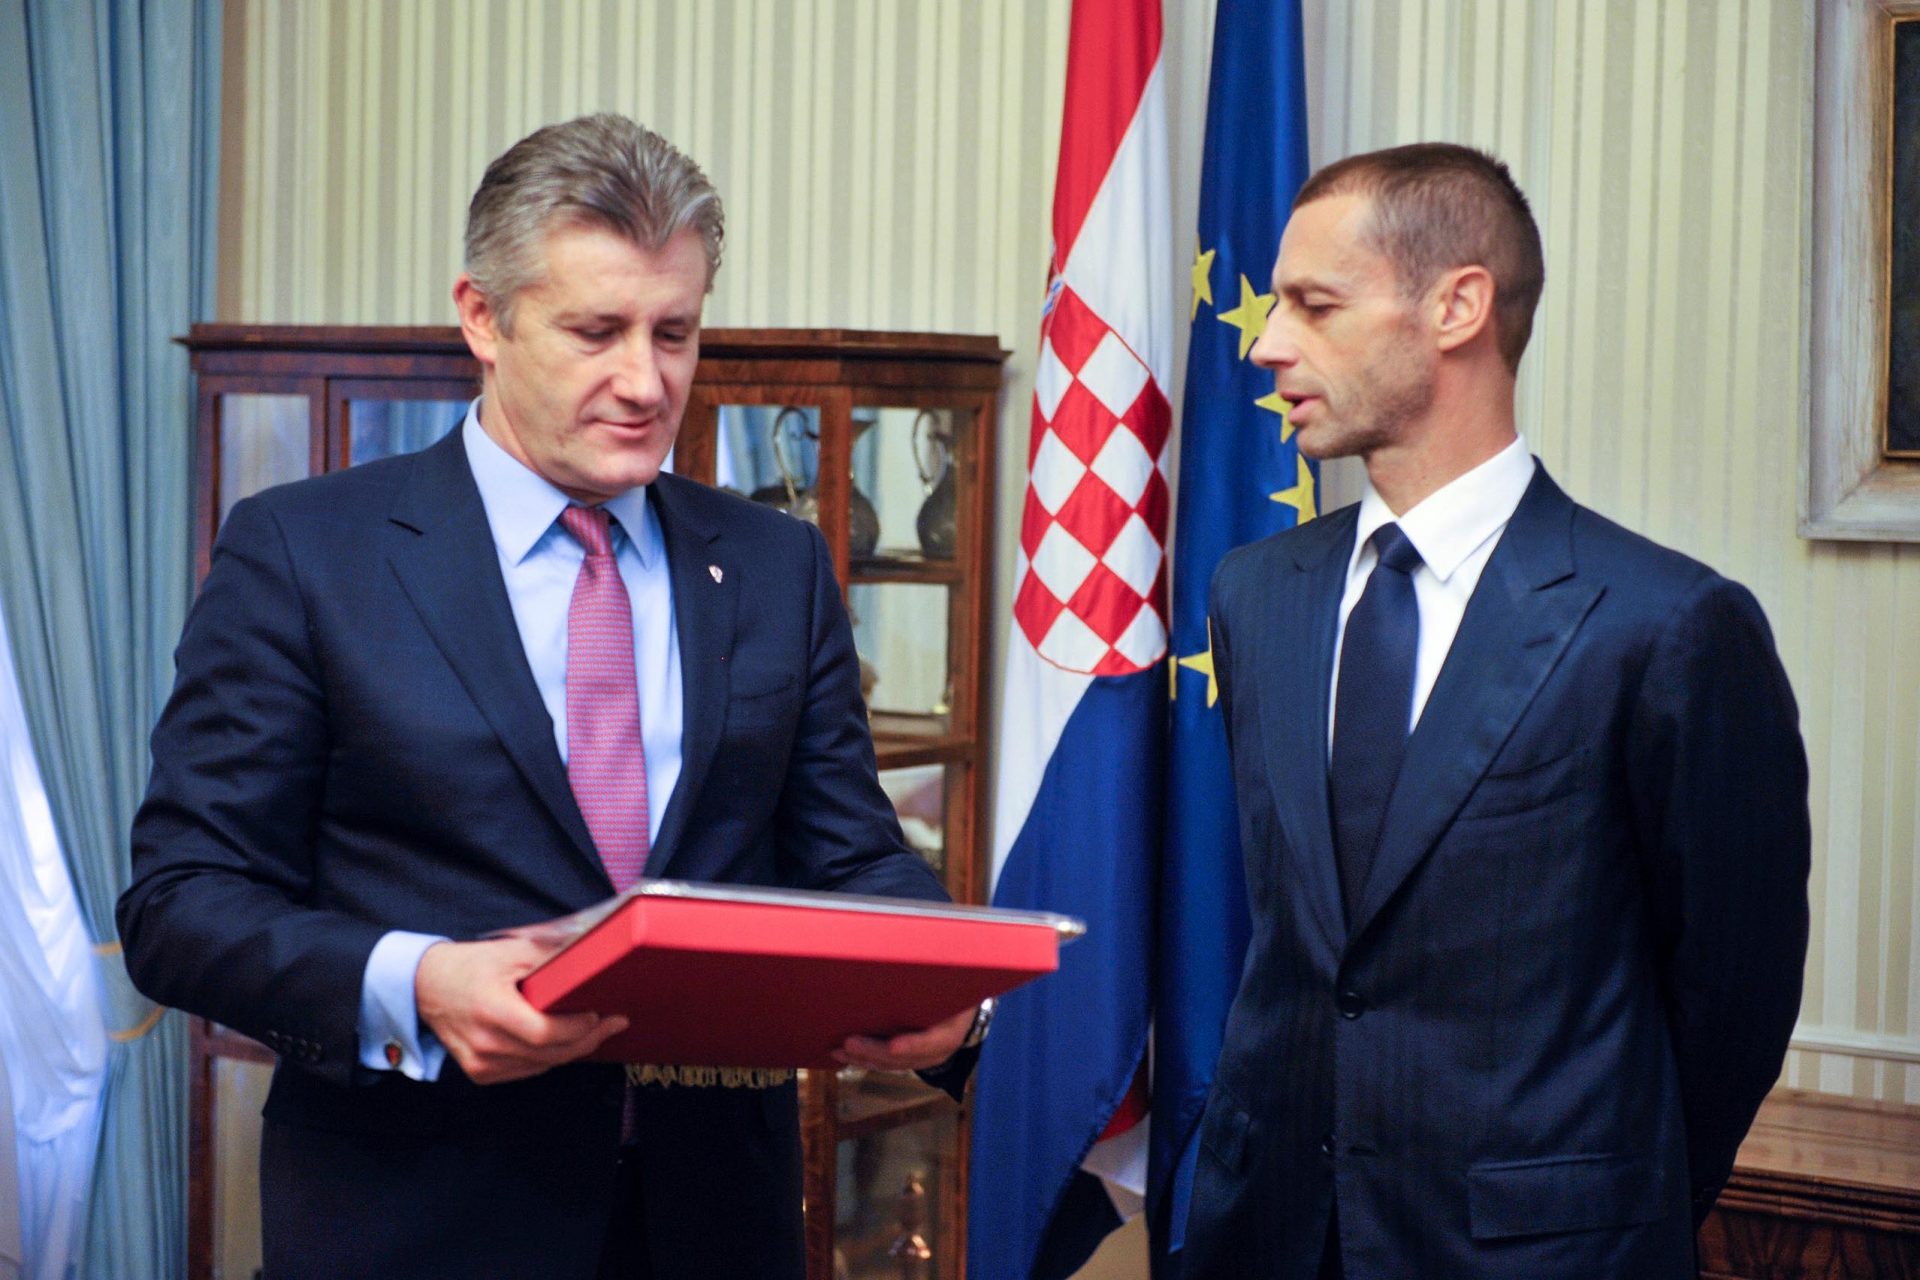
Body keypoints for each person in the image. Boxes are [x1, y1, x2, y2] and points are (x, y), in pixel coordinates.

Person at [118, 114, 980, 1280]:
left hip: (716, 1227)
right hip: (412, 1223)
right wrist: (417, 980)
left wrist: (938, 984)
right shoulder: (307, 552)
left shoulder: (775, 563)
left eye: (674, 331)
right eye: (596, 331)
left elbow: (852, 855)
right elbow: (181, 905)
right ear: (483, 316)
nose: (646, 379)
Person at [1181, 143, 1809, 1279]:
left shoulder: (1664, 626)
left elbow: (1733, 997)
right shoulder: (1254, 593)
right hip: (1261, 1235)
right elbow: (1296, 940)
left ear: (1457, 305)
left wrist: (1601, 1206)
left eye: (1314, 305)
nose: (1268, 343)